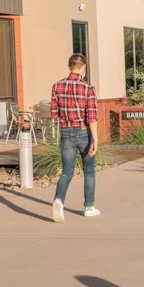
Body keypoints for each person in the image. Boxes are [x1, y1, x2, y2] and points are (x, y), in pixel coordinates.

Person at [51, 53, 100, 222]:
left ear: (69, 67)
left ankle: (59, 200)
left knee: (67, 172)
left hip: (66, 132)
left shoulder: (57, 86)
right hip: (84, 132)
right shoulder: (88, 88)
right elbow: (92, 116)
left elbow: (54, 114)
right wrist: (95, 139)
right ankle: (89, 207)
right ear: (84, 67)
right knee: (89, 172)